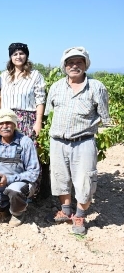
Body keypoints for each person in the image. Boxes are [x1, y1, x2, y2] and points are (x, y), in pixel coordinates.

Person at [44, 47, 110, 235]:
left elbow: (105, 116)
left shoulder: (96, 87)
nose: (74, 66)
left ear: (85, 65)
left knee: (85, 180)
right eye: (70, 63)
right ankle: (65, 211)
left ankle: (80, 215)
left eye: (79, 62)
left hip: (84, 141)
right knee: (60, 178)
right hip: (57, 141)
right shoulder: (56, 87)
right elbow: (49, 112)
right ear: (64, 66)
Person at [0, 109, 40, 227]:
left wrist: (8, 179)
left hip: (21, 183)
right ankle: (12, 206)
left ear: (14, 124)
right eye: (0, 124)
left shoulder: (25, 142)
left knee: (14, 190)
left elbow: (33, 172)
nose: (5, 126)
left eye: (8, 123)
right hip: (0, 184)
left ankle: (18, 213)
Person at [0, 43, 46, 139]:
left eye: (21, 53)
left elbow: (40, 100)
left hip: (27, 121)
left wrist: (38, 122)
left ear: (26, 56)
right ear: (11, 57)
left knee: (25, 151)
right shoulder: (3, 76)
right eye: (15, 54)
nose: (18, 57)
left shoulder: (35, 75)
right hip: (6, 121)